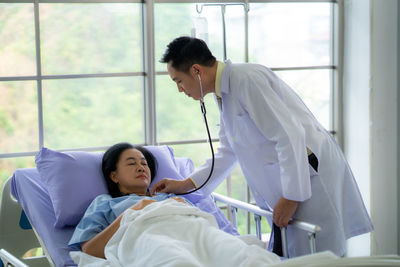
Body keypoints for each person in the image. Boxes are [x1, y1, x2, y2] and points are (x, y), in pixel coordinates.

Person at [151, 36, 374, 257]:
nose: (180, 89)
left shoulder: (246, 80)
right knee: (302, 256)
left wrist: (291, 196)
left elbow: (288, 135)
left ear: (197, 71)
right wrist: (185, 184)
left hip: (308, 176)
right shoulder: (224, 93)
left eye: (178, 81)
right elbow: (228, 153)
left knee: (321, 256)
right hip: (292, 181)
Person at [68, 142, 281, 265]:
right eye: (132, 163)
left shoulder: (168, 198)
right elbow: (88, 249)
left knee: (242, 256)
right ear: (114, 176)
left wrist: (182, 205)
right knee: (177, 261)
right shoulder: (105, 204)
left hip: (194, 231)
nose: (141, 167)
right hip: (149, 238)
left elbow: (200, 224)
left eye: (144, 163)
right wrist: (132, 212)